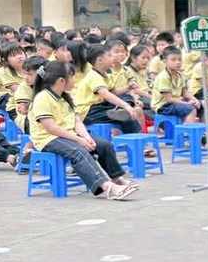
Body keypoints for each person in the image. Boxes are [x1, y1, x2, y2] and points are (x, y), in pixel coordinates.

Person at [28, 61, 137, 200]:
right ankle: (107, 187)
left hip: (68, 135)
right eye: (72, 77)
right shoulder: (42, 98)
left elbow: (77, 121)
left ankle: (117, 179)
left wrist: (86, 137)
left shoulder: (64, 97)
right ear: (61, 81)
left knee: (103, 145)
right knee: (79, 151)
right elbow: (51, 128)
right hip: (48, 138)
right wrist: (79, 140)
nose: (74, 80)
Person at [151, 47, 202, 123]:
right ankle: (186, 130)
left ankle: (203, 129)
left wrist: (195, 100)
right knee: (191, 109)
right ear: (165, 61)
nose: (178, 62)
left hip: (177, 102)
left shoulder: (180, 75)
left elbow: (185, 93)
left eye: (179, 59)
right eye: (173, 60)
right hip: (163, 106)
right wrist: (187, 103)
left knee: (206, 105)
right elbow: (169, 99)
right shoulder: (163, 77)